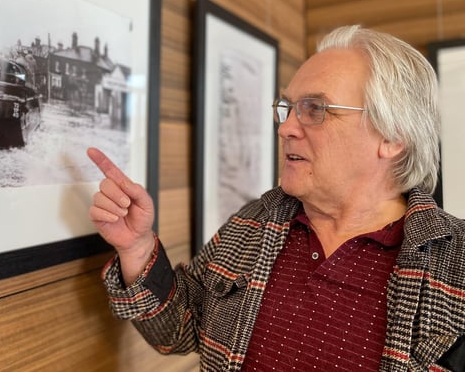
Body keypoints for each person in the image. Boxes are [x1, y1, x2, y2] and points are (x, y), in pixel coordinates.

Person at [87, 25, 465, 371]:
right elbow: (181, 331)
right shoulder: (253, 222)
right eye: (287, 108)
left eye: (315, 109)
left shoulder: (456, 261)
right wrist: (137, 250)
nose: (285, 128)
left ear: (393, 136)